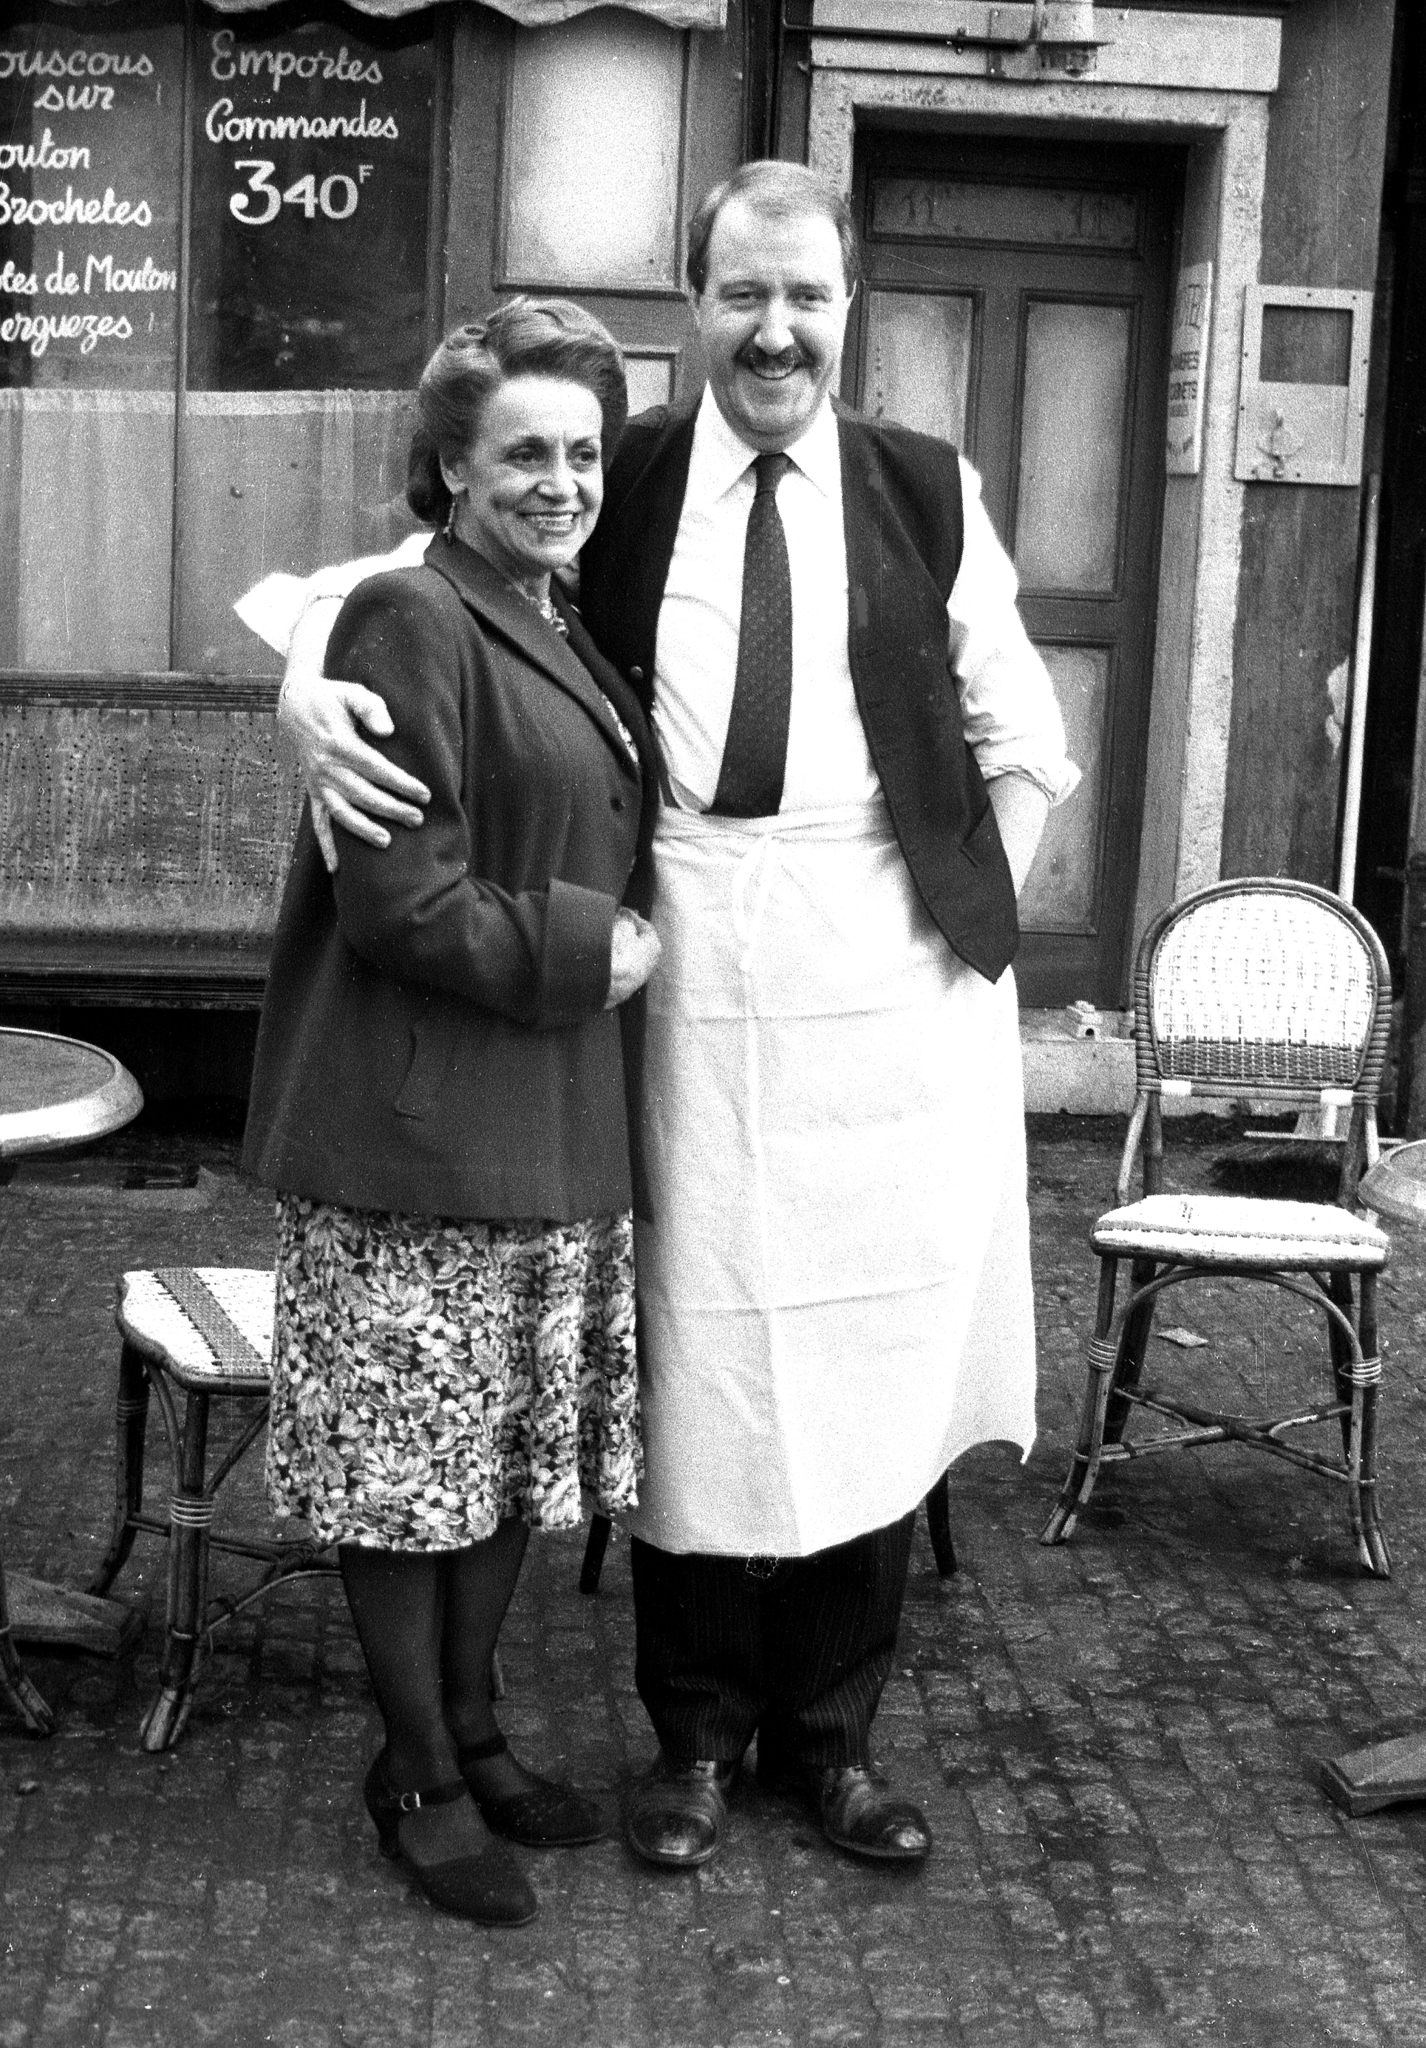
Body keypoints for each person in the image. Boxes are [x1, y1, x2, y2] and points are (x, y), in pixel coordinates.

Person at [265, 162, 1076, 1874]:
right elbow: (396, 583)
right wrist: (295, 693)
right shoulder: (609, 469)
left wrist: (953, 926)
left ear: (847, 309)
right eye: (738, 295)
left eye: (806, 297)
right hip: (680, 960)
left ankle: (832, 1741)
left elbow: (1027, 744)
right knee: (695, 1347)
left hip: (878, 977)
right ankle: (692, 1739)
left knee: (855, 1359)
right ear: (690, 306)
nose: (774, 331)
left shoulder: (926, 491)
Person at [241, 299, 661, 1926]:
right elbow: (398, 901)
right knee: (404, 1479)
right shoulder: (413, 618)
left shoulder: (546, 618)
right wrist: (594, 946)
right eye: (522, 456)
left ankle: (473, 1728)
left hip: (542, 1121)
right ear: (449, 469)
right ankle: (411, 1766)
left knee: (490, 1468)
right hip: (414, 1132)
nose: (558, 481)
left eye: (579, 453)